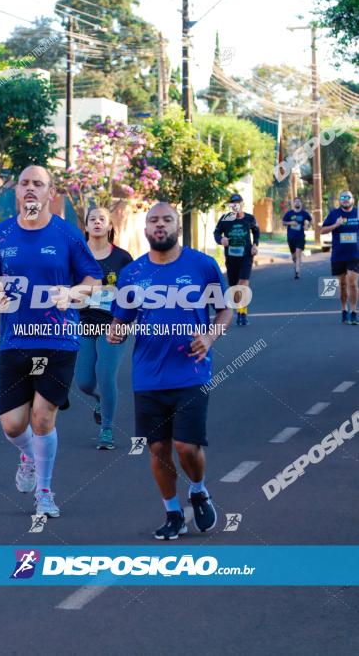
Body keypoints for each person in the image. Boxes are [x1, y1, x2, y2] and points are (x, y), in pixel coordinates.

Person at [0, 165, 102, 517]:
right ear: (17, 192)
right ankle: (28, 455)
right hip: (15, 340)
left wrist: (73, 291)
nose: (31, 189)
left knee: (42, 417)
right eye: (25, 184)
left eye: (38, 184)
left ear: (50, 193)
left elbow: (93, 279)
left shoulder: (66, 234)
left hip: (59, 339)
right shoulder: (1, 235)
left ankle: (45, 493)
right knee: (13, 425)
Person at [107, 202, 232, 540]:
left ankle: (199, 489)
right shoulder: (133, 273)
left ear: (177, 226)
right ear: (146, 229)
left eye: (166, 220)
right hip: (147, 375)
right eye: (153, 221)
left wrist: (209, 336)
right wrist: (115, 331)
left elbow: (224, 311)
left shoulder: (202, 266)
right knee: (158, 449)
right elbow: (121, 319)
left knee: (185, 447)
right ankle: (173, 513)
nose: (159, 226)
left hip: (191, 372)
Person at [75, 206, 133, 450]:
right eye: (92, 219)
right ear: (86, 226)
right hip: (84, 323)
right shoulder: (76, 256)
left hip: (113, 323)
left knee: (106, 374)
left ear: (110, 226)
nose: (97, 222)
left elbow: (132, 294)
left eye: (102, 219)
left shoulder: (122, 258)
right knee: (85, 382)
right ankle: (99, 398)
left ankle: (106, 429)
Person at [214, 193, 260, 325]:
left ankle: (242, 313)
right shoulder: (225, 219)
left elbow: (256, 231)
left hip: (246, 255)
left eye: (238, 203)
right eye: (233, 204)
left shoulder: (249, 218)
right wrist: (221, 239)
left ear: (242, 204)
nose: (235, 206)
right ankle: (240, 308)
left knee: (243, 282)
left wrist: (255, 245)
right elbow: (216, 233)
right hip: (231, 257)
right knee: (234, 287)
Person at [321, 190, 358, 325]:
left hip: (355, 255)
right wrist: (335, 225)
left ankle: (354, 312)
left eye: (348, 197)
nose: (345, 199)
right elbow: (322, 230)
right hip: (338, 255)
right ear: (339, 200)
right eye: (343, 197)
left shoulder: (357, 213)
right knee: (342, 285)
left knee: (352, 283)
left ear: (352, 200)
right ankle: (344, 310)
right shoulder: (334, 214)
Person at [282, 198, 312, 279]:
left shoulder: (304, 213)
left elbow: (310, 220)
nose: (297, 203)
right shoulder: (289, 213)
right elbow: (283, 222)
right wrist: (291, 223)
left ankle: (297, 272)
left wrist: (307, 226)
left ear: (301, 203)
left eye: (299, 202)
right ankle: (296, 263)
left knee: (298, 253)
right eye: (296, 202)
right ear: (293, 204)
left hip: (300, 236)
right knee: (294, 256)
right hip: (291, 237)